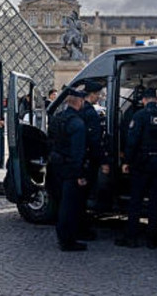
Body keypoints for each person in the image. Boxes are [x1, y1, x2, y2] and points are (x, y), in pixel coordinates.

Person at [116, 88, 157, 249]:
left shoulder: (140, 116)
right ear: (156, 99)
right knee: (155, 202)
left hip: (143, 163)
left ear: (144, 100)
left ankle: (131, 237)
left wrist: (126, 161)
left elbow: (132, 141)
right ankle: (152, 239)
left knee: (136, 201)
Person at [47, 88, 88, 251]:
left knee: (60, 202)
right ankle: (67, 240)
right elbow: (78, 152)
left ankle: (62, 235)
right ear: (79, 102)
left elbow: (50, 141)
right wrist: (80, 174)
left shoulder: (57, 118)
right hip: (70, 168)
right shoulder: (78, 124)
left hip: (56, 166)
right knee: (69, 205)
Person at [78, 80, 110, 240]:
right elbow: (95, 140)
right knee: (84, 196)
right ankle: (82, 230)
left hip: (80, 159)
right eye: (98, 94)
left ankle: (79, 227)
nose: (100, 97)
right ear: (92, 94)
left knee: (79, 197)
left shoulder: (80, 110)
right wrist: (104, 161)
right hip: (89, 160)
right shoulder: (90, 113)